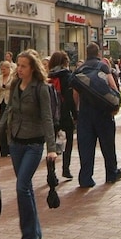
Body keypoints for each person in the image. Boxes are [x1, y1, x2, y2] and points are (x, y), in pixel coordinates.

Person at [0, 49, 57, 239]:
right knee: (25, 188)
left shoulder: (40, 88)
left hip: (34, 144)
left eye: (23, 66)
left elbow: (47, 118)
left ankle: (28, 238)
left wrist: (51, 148)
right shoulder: (16, 84)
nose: (18, 69)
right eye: (17, 65)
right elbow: (9, 111)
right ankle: (34, 232)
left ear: (32, 68)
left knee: (21, 187)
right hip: (15, 143)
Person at [70, 43, 121, 188]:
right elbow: (112, 86)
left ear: (86, 53)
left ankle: (86, 178)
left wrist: (77, 111)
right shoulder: (102, 66)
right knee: (107, 145)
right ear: (98, 53)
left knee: (86, 146)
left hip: (85, 113)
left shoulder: (80, 69)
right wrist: (115, 102)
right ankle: (111, 173)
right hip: (103, 112)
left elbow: (75, 94)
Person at [47, 51, 77, 180]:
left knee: (51, 143)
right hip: (64, 112)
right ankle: (66, 168)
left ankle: (51, 172)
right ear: (65, 62)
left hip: (50, 114)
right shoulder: (68, 76)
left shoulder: (48, 77)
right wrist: (75, 114)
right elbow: (70, 97)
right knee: (69, 140)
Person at [0, 60, 15, 157]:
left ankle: (11, 148)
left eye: (4, 69)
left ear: (9, 68)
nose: (2, 71)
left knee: (10, 125)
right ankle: (3, 149)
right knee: (2, 124)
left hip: (11, 103)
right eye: (1, 69)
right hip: (2, 103)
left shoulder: (14, 78)